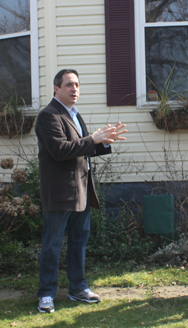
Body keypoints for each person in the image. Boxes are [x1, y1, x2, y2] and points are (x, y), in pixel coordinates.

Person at [35, 69, 127, 313]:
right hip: (59, 192)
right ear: (56, 89)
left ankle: (78, 288)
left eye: (76, 84)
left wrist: (104, 142)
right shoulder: (48, 116)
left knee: (79, 243)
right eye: (68, 85)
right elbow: (60, 150)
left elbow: (82, 148)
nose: (74, 89)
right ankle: (46, 294)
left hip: (82, 191)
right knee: (52, 245)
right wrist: (93, 139)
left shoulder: (74, 114)